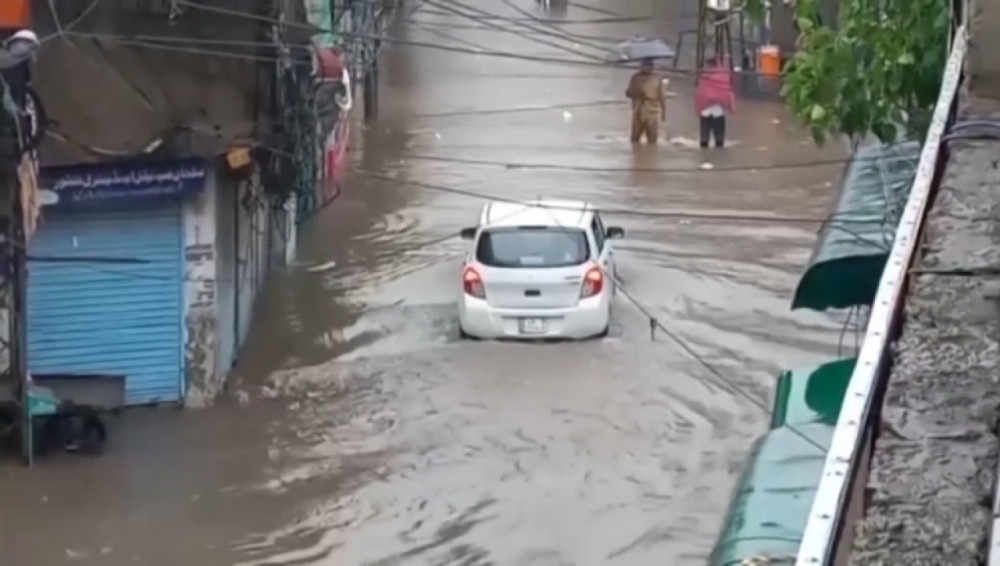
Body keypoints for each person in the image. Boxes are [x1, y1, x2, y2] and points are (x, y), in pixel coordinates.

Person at [695, 56, 736, 148]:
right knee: (719, 141)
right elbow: (728, 92)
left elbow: (700, 94)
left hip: (705, 111)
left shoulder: (704, 77)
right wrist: (731, 108)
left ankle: (704, 157)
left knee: (704, 141)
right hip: (718, 111)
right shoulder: (724, 76)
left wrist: (698, 109)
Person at [626, 58, 666, 144]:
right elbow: (628, 93)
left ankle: (650, 156)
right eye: (646, 65)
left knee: (652, 140)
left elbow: (662, 96)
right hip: (638, 109)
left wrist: (663, 112)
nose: (648, 68)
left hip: (652, 110)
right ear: (641, 66)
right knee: (634, 139)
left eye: (650, 66)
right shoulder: (635, 77)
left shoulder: (657, 78)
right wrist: (636, 92)